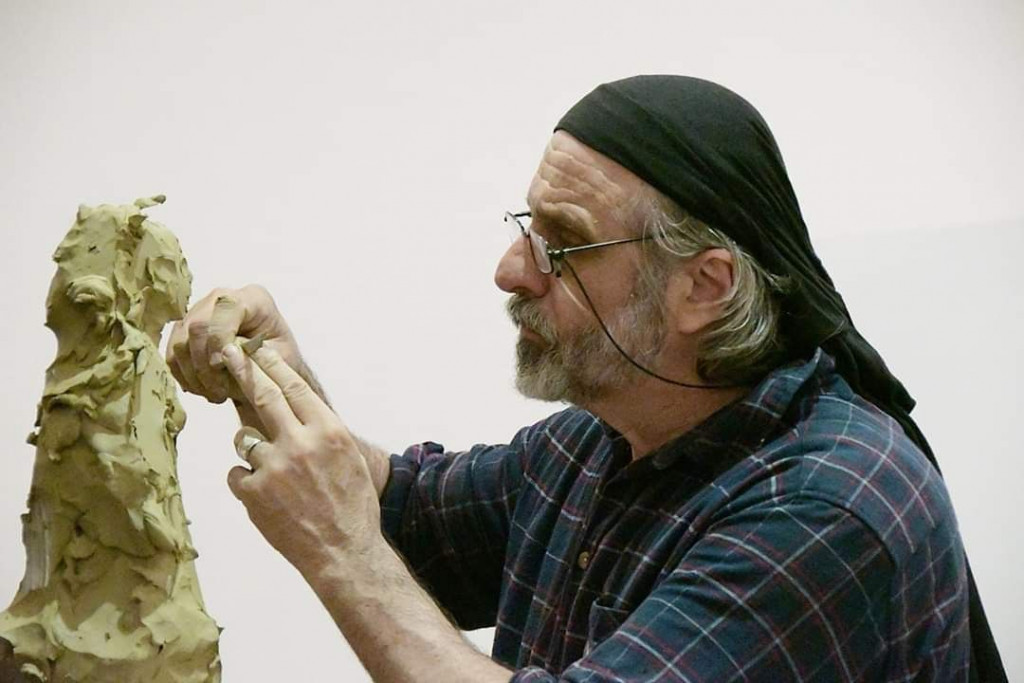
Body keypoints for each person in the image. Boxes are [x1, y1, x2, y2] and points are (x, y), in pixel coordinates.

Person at [167, 76, 1005, 682]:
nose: (511, 270)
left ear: (703, 286)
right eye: (526, 228)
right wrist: (272, 378)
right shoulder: (605, 438)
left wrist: (340, 552)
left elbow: (358, 536)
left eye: (562, 243)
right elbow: (410, 517)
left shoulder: (828, 510)